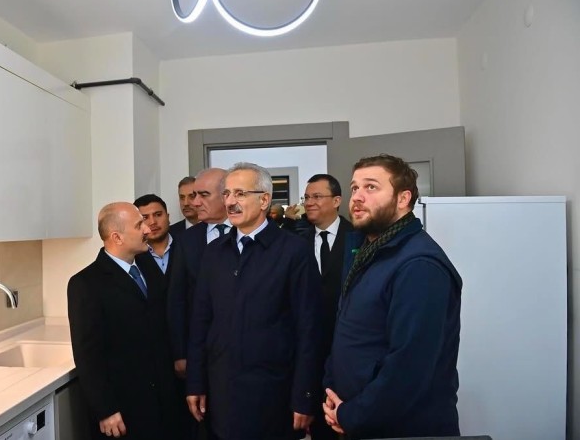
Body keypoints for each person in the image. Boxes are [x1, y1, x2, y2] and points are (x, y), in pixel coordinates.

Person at [323, 154, 462, 439]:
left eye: (371, 187)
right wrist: (333, 392)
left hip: (403, 428)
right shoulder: (368, 252)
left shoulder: (419, 265)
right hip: (360, 419)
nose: (357, 196)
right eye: (354, 187)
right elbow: (351, 332)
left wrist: (351, 415)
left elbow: (410, 367)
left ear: (403, 198)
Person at [186, 162, 324, 440]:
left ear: (264, 200)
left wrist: (305, 395)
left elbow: (309, 329)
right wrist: (195, 382)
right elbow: (201, 322)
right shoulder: (214, 253)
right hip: (221, 392)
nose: (230, 202)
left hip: (273, 392)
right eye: (227, 194)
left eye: (240, 193)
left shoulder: (294, 251)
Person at [67, 202, 179, 440]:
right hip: (125, 408)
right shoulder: (86, 284)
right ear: (116, 237)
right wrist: (105, 409)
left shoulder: (148, 266)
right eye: (139, 225)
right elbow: (88, 355)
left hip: (164, 400)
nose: (147, 229)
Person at [168, 167, 230, 440]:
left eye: (203, 195)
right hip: (199, 349)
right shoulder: (187, 241)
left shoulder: (246, 235)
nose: (194, 203)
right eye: (193, 196)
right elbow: (177, 299)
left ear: (226, 197)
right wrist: (180, 352)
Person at [299, 174, 353, 440]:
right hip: (309, 346)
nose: (309, 202)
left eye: (317, 196)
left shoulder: (358, 238)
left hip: (346, 345)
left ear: (336, 200)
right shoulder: (296, 240)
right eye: (307, 197)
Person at [134, 193, 174, 275]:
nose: (152, 222)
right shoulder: (133, 255)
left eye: (158, 215)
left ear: (168, 217)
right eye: (145, 218)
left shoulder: (186, 246)